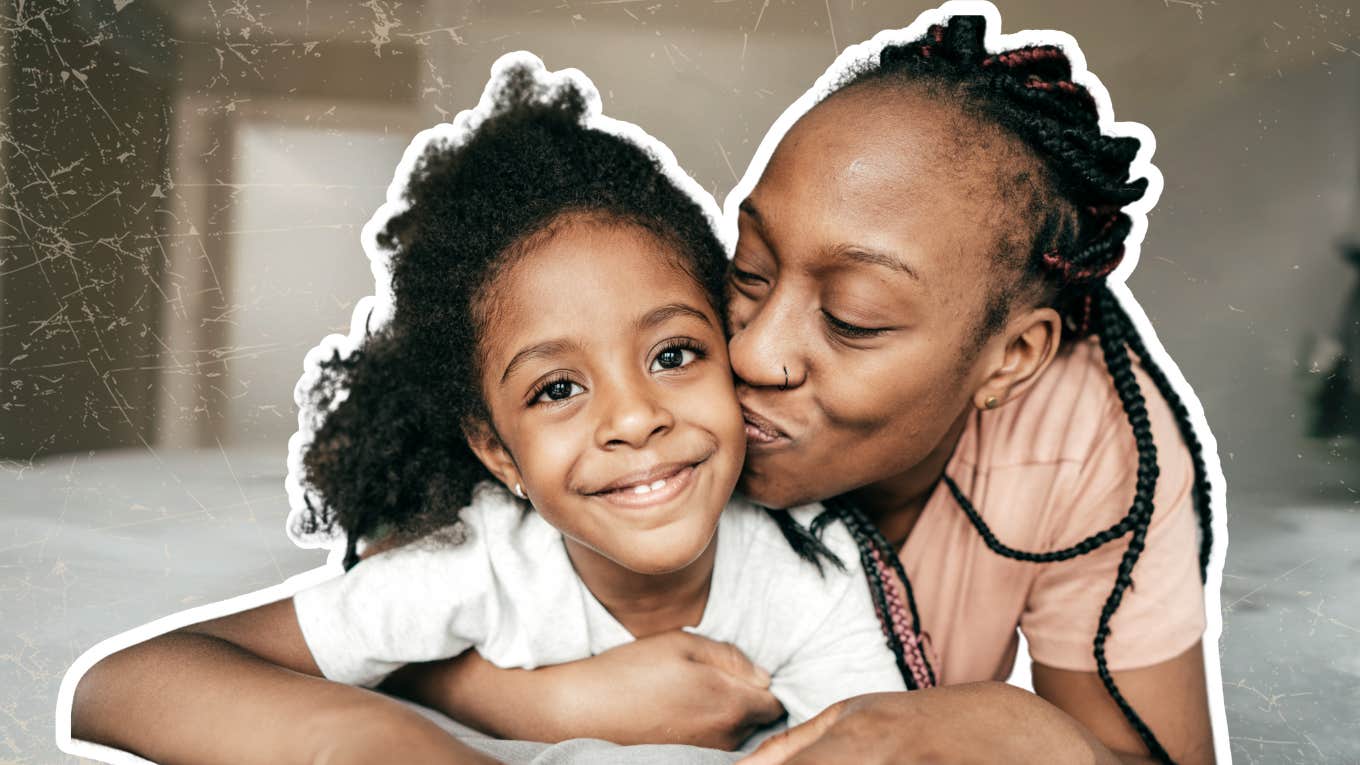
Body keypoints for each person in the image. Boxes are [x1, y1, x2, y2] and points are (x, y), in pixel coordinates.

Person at [388, 10, 1221, 765]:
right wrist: (535, 700)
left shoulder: (1086, 443)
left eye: (854, 317)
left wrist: (1018, 725)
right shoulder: (642, 361)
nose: (754, 352)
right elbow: (383, 596)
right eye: (748, 269)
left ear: (1010, 360)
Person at [63, 55, 908, 765]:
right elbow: (120, 682)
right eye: (557, 389)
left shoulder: (814, 571)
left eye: (675, 354)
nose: (635, 417)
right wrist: (395, 734)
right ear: (499, 453)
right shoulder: (480, 564)